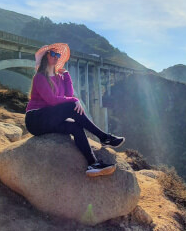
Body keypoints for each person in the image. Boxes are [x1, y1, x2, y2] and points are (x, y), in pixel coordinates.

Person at [24, 43, 125, 177]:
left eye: (58, 55)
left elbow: (69, 95)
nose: (56, 57)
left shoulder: (59, 78)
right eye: (53, 54)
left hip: (49, 119)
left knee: (75, 127)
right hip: (35, 120)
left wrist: (66, 76)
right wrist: (74, 101)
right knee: (72, 106)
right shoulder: (39, 77)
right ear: (45, 57)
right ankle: (104, 137)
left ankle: (92, 163)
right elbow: (53, 100)